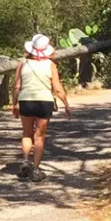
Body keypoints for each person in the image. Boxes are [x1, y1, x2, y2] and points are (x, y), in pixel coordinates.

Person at [15, 33, 72, 179]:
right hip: (44, 102)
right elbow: (57, 87)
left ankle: (26, 160)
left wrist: (14, 103)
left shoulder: (23, 63)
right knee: (39, 137)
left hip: (25, 100)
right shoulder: (50, 65)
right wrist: (66, 104)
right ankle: (35, 170)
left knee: (27, 133)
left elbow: (16, 86)